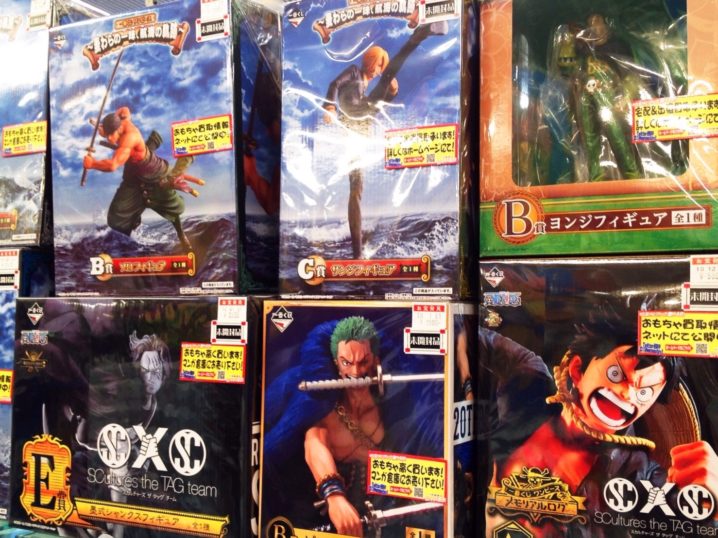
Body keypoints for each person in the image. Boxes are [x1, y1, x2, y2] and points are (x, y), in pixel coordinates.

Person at [481, 307, 718, 537]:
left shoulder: (636, 472)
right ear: (577, 370)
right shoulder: (529, 385)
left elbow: (685, 519)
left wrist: (710, 504)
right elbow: (470, 332)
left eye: (644, 392)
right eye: (616, 374)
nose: (628, 394)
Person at [322, 22, 448, 259]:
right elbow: (334, 84)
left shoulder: (367, 86)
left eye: (382, 67)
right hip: (354, 119)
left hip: (360, 125)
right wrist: (328, 106)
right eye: (380, 65)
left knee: (357, 190)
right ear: (372, 61)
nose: (379, 70)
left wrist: (391, 93)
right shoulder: (354, 72)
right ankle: (418, 36)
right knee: (355, 190)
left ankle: (357, 253)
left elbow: (376, 108)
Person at [304, 316, 384, 537]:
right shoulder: (328, 415)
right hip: (337, 526)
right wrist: (334, 496)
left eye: (363, 362)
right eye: (347, 363)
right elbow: (314, 443)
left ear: (375, 361)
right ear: (337, 365)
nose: (356, 372)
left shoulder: (389, 410)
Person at [82, 106, 204, 251]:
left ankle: (181, 235)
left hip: (154, 173)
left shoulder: (129, 138)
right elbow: (124, 109)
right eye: (107, 135)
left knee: (172, 207)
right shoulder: (123, 119)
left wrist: (92, 164)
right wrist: (107, 125)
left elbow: (113, 165)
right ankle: (130, 232)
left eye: (110, 135)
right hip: (134, 175)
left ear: (119, 128)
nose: (108, 139)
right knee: (116, 218)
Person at [574, 14, 642, 182]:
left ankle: (631, 170)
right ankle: (595, 173)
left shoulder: (618, 47)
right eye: (591, 25)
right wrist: (585, 80)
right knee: (589, 135)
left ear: (606, 25)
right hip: (587, 95)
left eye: (598, 23)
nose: (595, 28)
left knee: (616, 133)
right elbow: (579, 73)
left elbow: (631, 76)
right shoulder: (585, 51)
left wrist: (626, 97)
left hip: (609, 96)